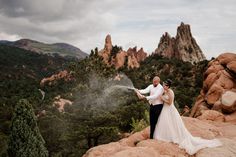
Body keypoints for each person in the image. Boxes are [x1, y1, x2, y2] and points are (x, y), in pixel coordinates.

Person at [153, 79, 222, 155]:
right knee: (166, 123)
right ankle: (165, 135)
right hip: (165, 110)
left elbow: (169, 103)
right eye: (163, 84)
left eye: (164, 85)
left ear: (168, 86)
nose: (163, 86)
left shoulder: (170, 92)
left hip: (169, 110)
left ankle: (172, 136)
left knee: (172, 123)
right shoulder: (165, 91)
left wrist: (162, 98)